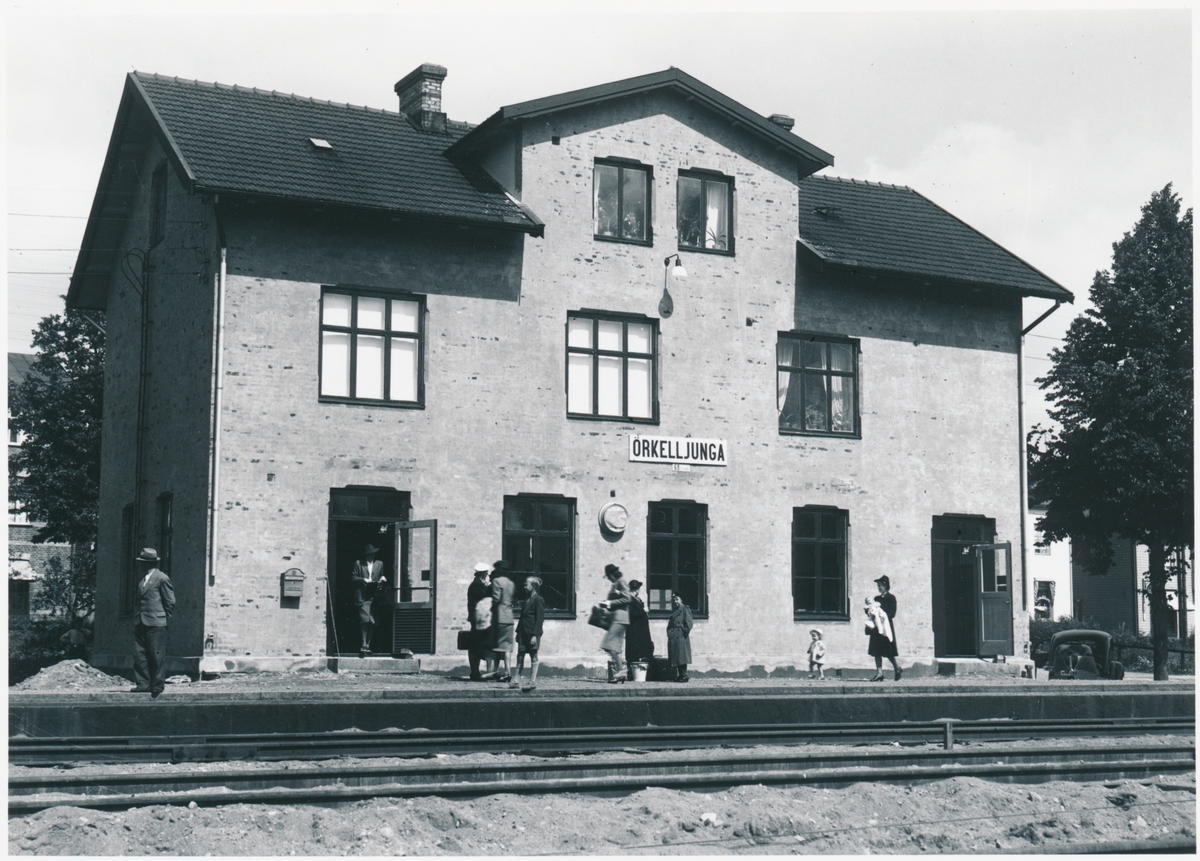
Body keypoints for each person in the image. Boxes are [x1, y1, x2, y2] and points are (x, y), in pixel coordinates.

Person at [130, 548, 174, 698]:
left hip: (156, 623)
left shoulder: (162, 578)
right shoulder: (143, 579)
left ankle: (157, 685)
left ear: (149, 563)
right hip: (141, 621)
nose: (140, 565)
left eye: (142, 562)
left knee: (156, 655)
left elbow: (170, 601)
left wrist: (162, 618)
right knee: (140, 654)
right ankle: (143, 684)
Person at [351, 544, 387, 658]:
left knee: (372, 621)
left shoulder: (379, 564)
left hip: (374, 596)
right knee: (364, 621)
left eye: (373, 554)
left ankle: (368, 645)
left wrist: (382, 579)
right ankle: (363, 644)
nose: (372, 556)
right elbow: (353, 578)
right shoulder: (358, 563)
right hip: (362, 596)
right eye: (370, 554)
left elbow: (381, 576)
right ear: (366, 555)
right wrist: (363, 580)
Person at [599, 563, 632, 682]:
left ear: (612, 574)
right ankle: (620, 672)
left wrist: (610, 603)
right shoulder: (616, 583)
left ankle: (621, 671)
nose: (608, 579)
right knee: (614, 647)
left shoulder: (621, 581)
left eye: (608, 576)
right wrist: (606, 605)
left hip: (620, 618)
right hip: (617, 618)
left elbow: (627, 598)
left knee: (607, 644)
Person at [483, 560, 514, 682]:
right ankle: (508, 672)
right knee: (507, 647)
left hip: (499, 617)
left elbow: (496, 598)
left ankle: (495, 671)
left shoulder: (496, 581)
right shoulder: (511, 583)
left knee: (495, 646)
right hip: (509, 618)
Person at [512, 576, 545, 691]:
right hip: (523, 632)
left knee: (533, 655)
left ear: (533, 586)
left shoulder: (538, 600)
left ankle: (532, 681)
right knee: (520, 655)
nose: (524, 587)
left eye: (526, 585)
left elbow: (539, 619)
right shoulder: (526, 599)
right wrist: (518, 632)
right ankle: (516, 680)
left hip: (532, 633)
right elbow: (522, 618)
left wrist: (535, 635)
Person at [867, 575, 901, 681]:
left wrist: (882, 616)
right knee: (877, 651)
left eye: (880, 586)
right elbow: (871, 610)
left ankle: (897, 668)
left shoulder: (891, 598)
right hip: (877, 628)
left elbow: (892, 613)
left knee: (888, 651)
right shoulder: (876, 599)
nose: (879, 588)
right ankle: (879, 673)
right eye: (878, 586)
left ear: (886, 586)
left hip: (886, 627)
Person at [466, 562, 492, 681]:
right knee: (476, 645)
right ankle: (475, 672)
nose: (487, 575)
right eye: (486, 573)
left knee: (478, 645)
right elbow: (487, 596)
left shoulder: (477, 584)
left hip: (478, 618)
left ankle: (476, 672)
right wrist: (489, 587)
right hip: (478, 619)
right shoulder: (477, 585)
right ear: (483, 573)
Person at [625, 579, 654, 667]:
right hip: (635, 631)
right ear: (636, 589)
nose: (639, 590)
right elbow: (632, 614)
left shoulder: (637, 599)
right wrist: (643, 611)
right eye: (638, 588)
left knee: (643, 652)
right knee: (635, 652)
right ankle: (633, 671)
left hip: (641, 631)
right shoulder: (629, 600)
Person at [666, 593, 693, 682]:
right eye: (674, 599)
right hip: (674, 635)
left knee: (682, 656)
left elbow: (689, 623)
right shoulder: (675, 610)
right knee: (676, 656)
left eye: (677, 599)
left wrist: (683, 631)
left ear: (681, 600)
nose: (675, 601)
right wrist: (669, 633)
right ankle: (680, 675)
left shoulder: (685, 609)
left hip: (681, 635)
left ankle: (684, 675)